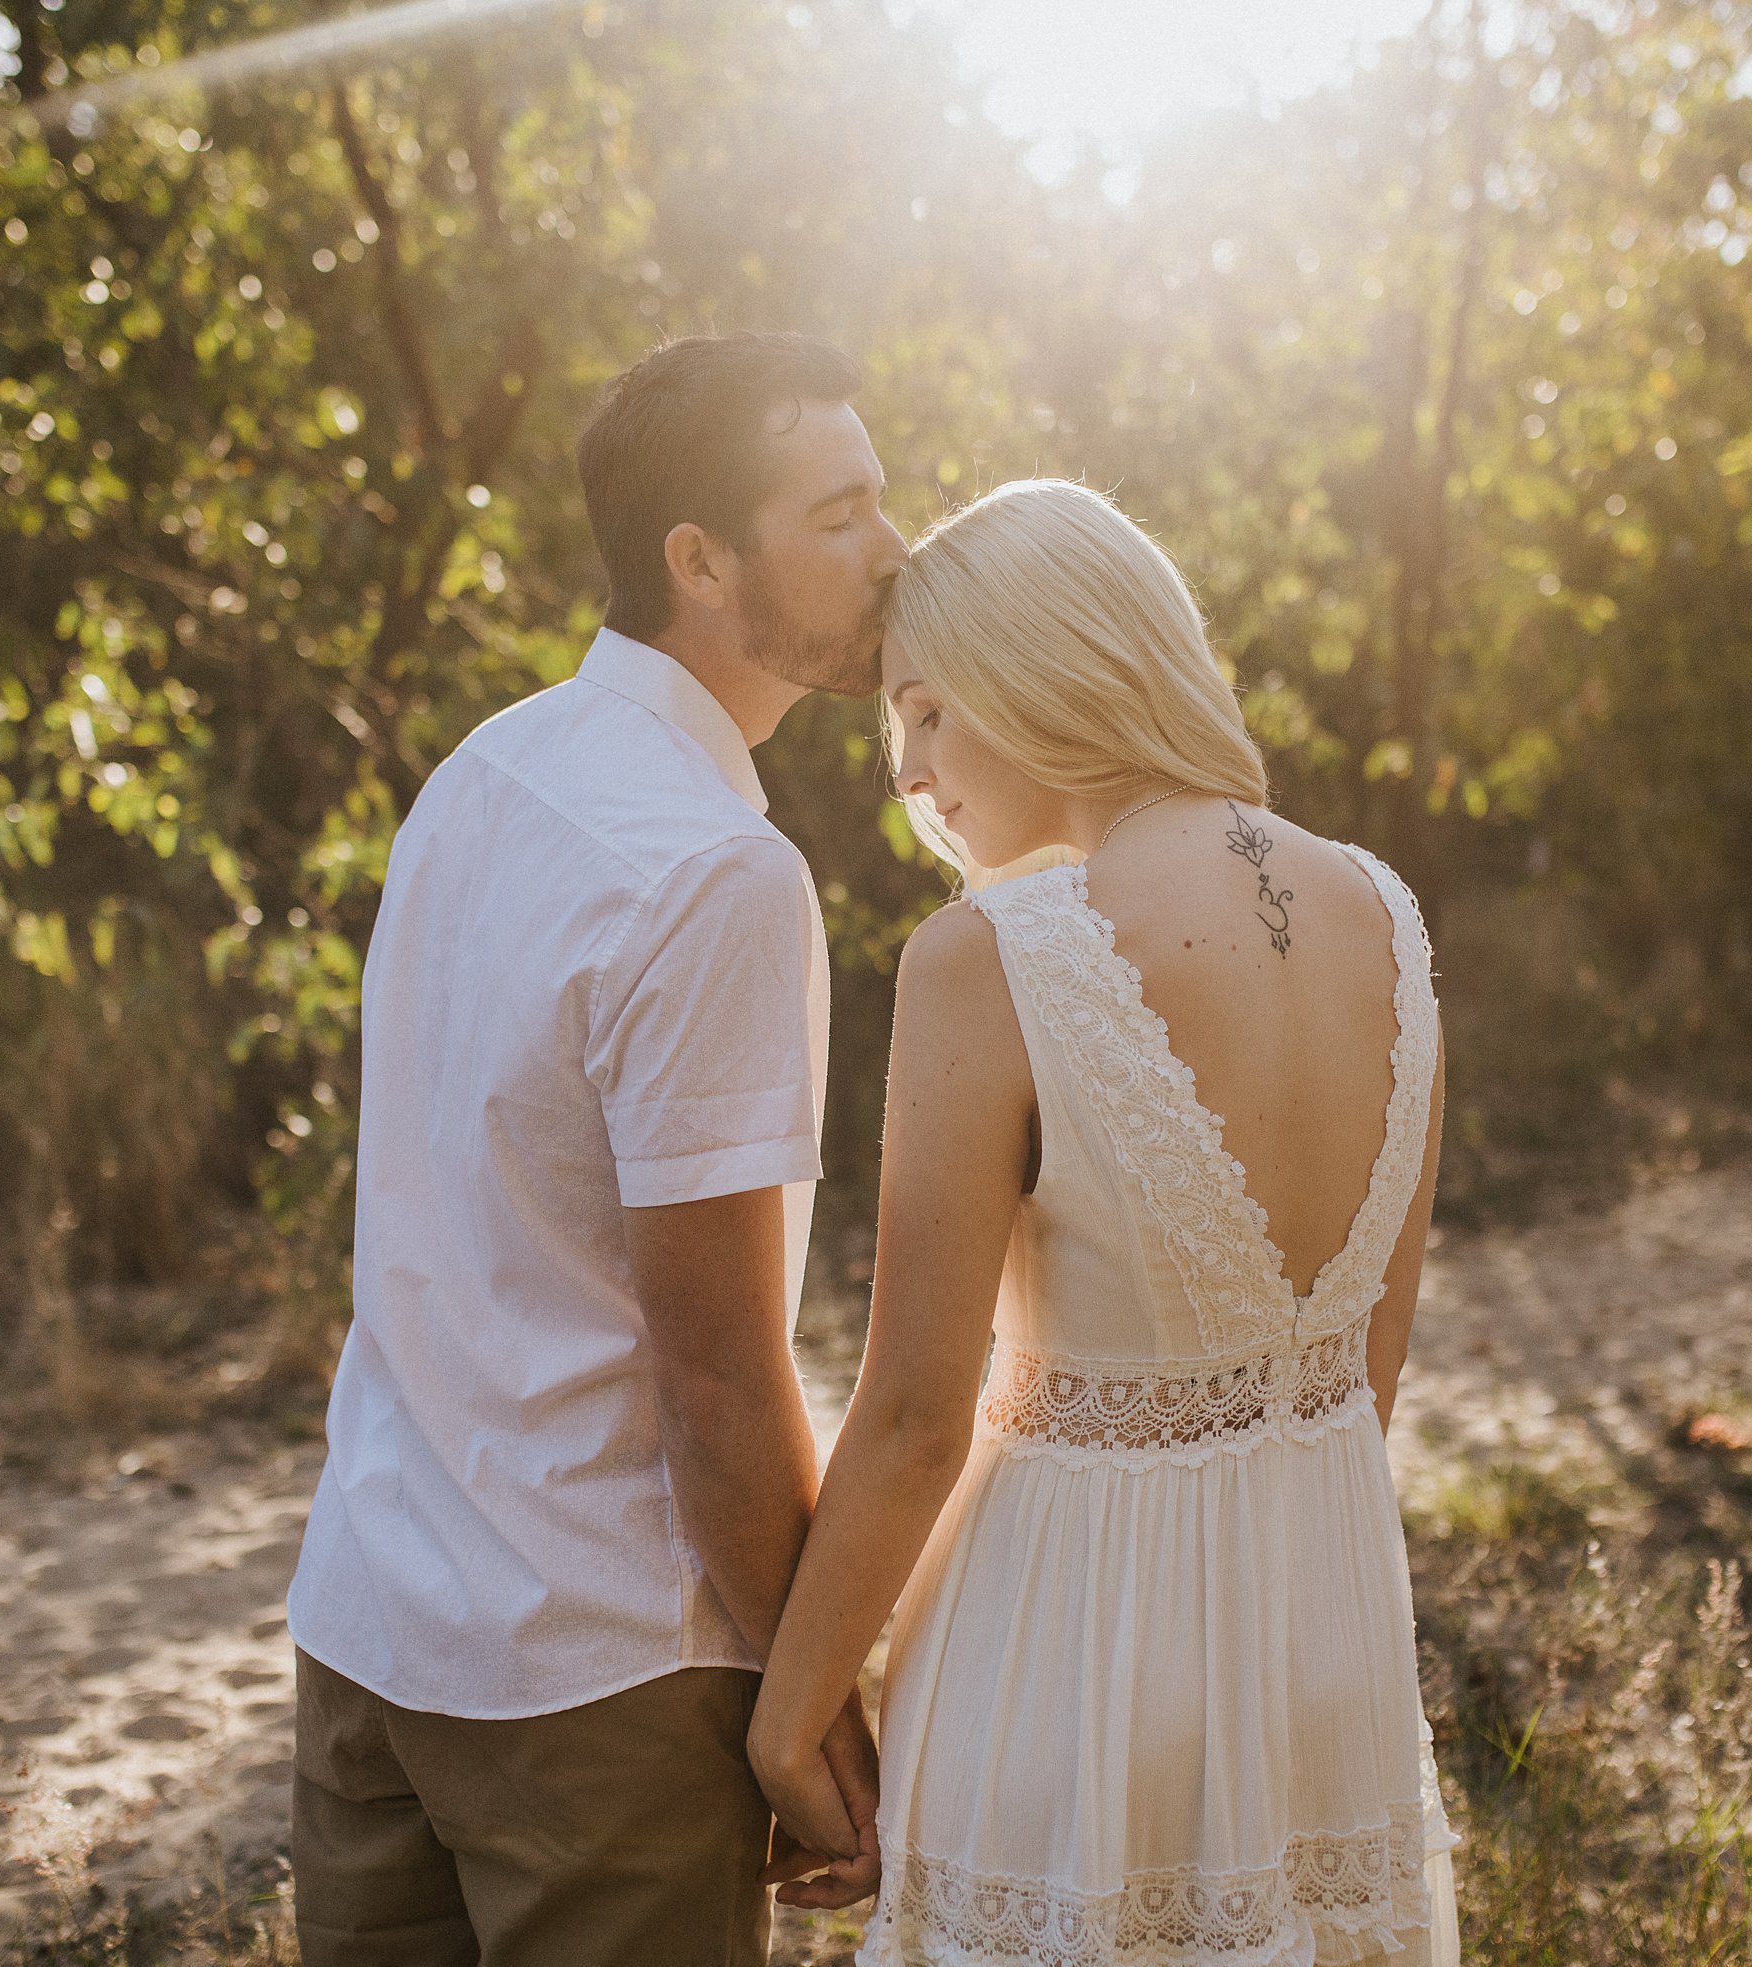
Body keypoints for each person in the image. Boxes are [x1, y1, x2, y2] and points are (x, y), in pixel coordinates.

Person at [747, 479, 1464, 1965]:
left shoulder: (988, 959)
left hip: (1066, 1653)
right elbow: (1364, 1376)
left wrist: (787, 1720)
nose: (911, 772)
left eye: (931, 710)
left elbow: (911, 1424)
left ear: (1050, 662)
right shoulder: (1384, 915)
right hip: (1320, 1644)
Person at [283, 332, 906, 1967]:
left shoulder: (481, 773)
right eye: (838, 511)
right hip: (594, 1682)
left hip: (369, 1622)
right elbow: (715, 1376)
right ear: (698, 561)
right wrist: (806, 1702)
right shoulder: (712, 871)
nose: (893, 549)